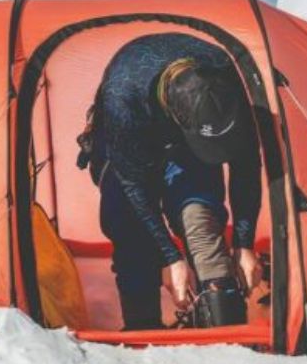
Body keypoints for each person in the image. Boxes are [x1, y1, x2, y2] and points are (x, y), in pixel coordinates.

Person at [77, 32, 263, 330]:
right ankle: (143, 330)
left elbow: (247, 162)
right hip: (127, 139)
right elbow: (133, 187)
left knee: (199, 217)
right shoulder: (121, 95)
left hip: (186, 141)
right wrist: (170, 258)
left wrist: (244, 243)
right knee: (129, 226)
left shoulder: (221, 72)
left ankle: (227, 330)